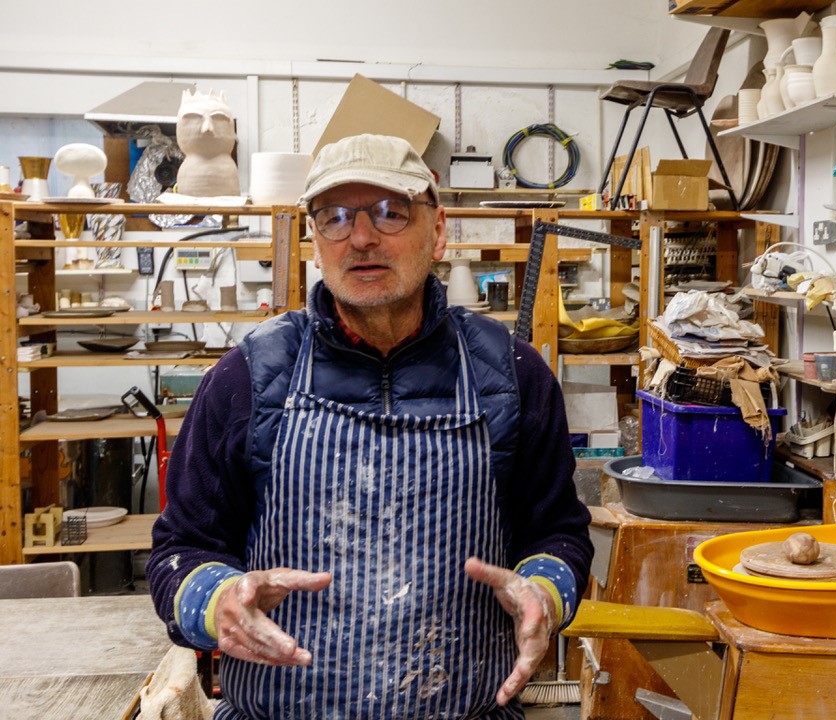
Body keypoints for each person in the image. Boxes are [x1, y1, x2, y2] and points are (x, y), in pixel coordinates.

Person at [146, 133, 593, 719]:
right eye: (334, 217)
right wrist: (218, 600)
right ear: (314, 241)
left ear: (437, 232)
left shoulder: (509, 375)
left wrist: (544, 592)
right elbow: (179, 550)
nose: (361, 237)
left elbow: (560, 534)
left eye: (389, 212)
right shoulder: (249, 377)